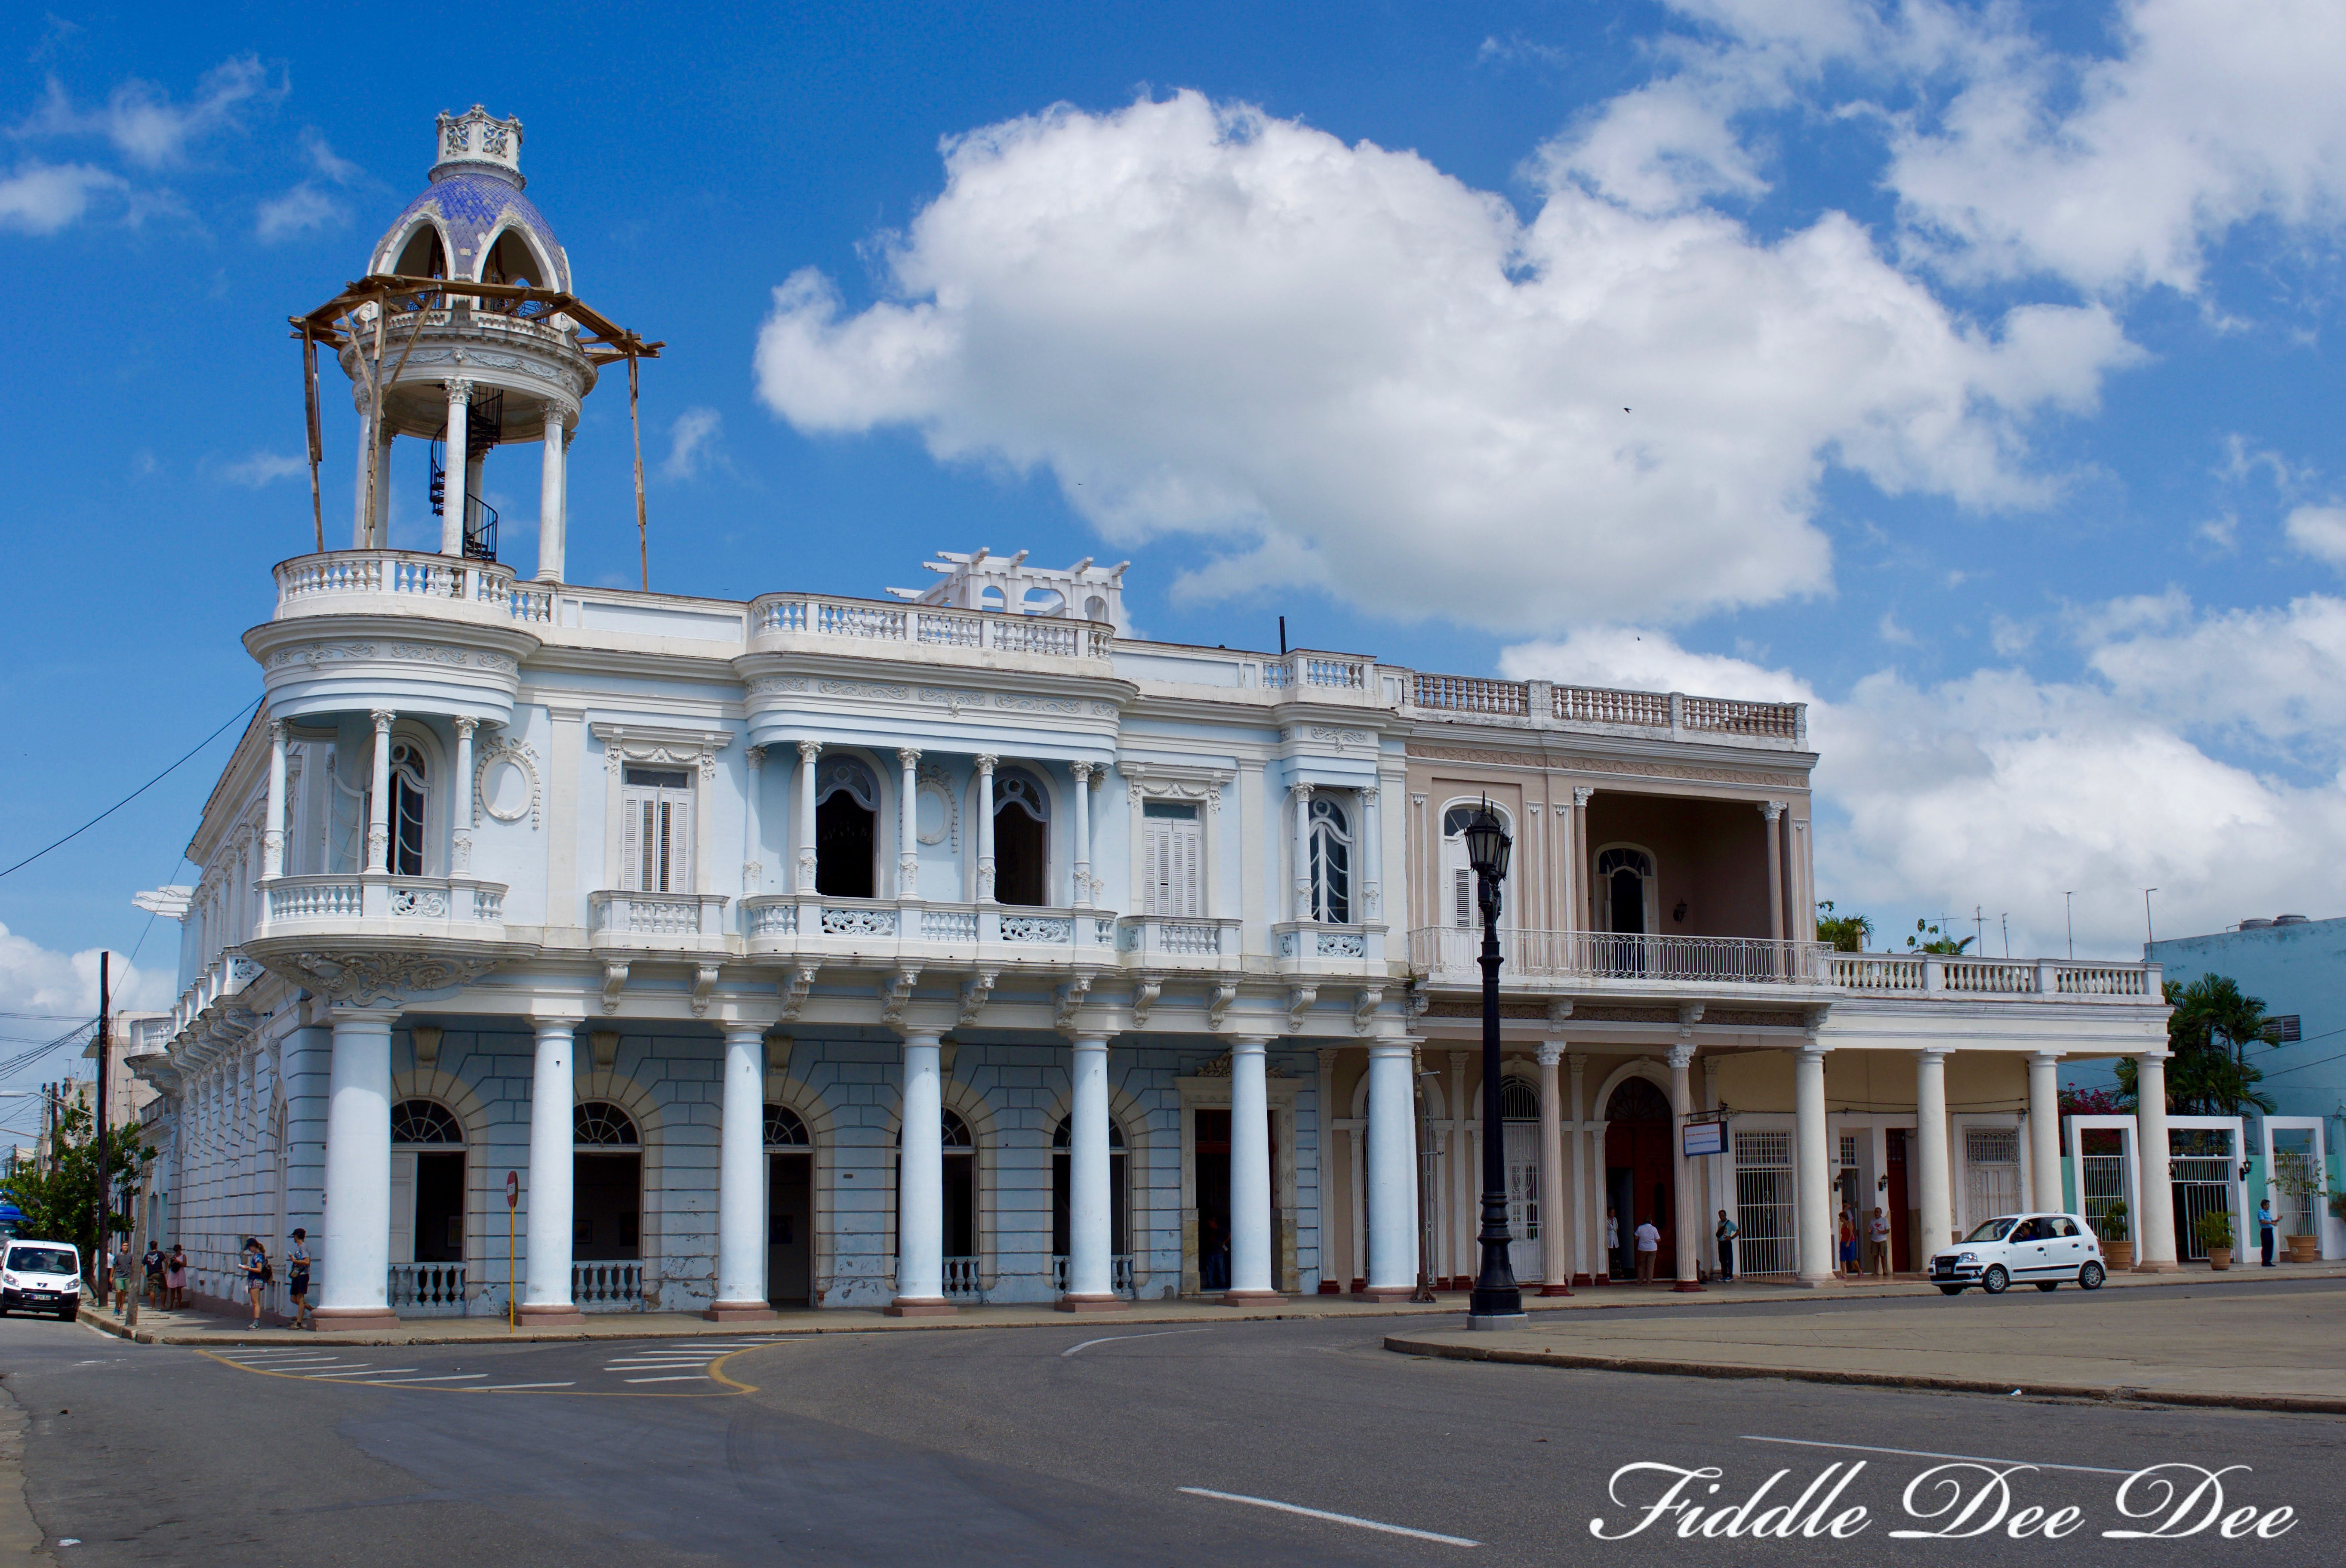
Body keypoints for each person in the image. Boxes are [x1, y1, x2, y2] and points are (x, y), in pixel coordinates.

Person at [286, 1229, 314, 1330]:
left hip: (302, 1275)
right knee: (294, 1299)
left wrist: (295, 1260)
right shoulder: (300, 1248)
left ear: (296, 1237)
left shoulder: (303, 1247)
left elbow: (307, 1262)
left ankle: (299, 1322)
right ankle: (312, 1310)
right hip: (297, 1275)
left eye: (294, 1237)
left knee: (300, 1299)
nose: (294, 1238)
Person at [240, 1236, 268, 1329]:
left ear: (253, 1246)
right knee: (255, 1302)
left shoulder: (258, 1256)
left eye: (249, 1248)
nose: (249, 1250)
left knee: (256, 1303)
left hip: (256, 1280)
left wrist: (248, 1268)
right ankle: (255, 1322)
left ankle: (256, 1323)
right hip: (255, 1279)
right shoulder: (258, 1255)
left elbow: (259, 1269)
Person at [1633, 1215, 1661, 1284]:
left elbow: (1636, 1237)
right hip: (1653, 1249)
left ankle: (1640, 1281)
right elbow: (1658, 1240)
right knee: (1650, 1265)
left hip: (1643, 1249)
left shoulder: (1640, 1228)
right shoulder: (1654, 1229)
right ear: (1651, 1221)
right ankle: (1649, 1282)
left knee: (1642, 1265)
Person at [1714, 1209, 1738, 1283]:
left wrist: (1732, 1237)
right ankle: (1724, 1275)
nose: (1722, 1217)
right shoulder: (1720, 1223)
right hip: (1721, 1243)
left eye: (1723, 1216)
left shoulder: (1730, 1223)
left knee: (1729, 1259)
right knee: (1722, 1259)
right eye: (1721, 1216)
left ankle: (1730, 1276)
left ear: (1726, 1215)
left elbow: (1738, 1231)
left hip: (1727, 1243)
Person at [1868, 1207, 1892, 1276]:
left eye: (1878, 1212)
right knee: (1875, 1256)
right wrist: (1870, 1231)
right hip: (1874, 1240)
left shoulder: (1884, 1220)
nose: (1876, 1213)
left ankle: (1885, 1271)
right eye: (1875, 1212)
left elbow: (1888, 1230)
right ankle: (1876, 1271)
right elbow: (1870, 1229)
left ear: (1881, 1213)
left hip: (1882, 1240)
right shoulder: (1872, 1220)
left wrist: (1881, 1232)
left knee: (1883, 1256)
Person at [165, 1244, 187, 1310]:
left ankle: (179, 1305)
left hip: (180, 1273)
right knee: (172, 1290)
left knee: (179, 1290)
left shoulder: (184, 1256)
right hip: (174, 1273)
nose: (177, 1253)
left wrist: (178, 1262)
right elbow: (169, 1267)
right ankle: (171, 1305)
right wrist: (172, 1262)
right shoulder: (174, 1256)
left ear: (180, 1250)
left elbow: (185, 1264)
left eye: (177, 1251)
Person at [142, 1241, 164, 1306]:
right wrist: (165, 1271)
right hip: (159, 1273)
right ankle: (163, 1305)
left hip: (151, 1274)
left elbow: (142, 1265)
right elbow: (166, 1261)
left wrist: (145, 1275)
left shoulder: (147, 1255)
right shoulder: (160, 1253)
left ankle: (153, 1306)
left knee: (152, 1291)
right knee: (163, 1289)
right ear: (157, 1246)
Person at [1838, 1210, 1858, 1277]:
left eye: (1841, 1217)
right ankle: (1843, 1274)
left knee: (1851, 1258)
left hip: (1850, 1242)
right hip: (1843, 1242)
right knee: (1842, 1258)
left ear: (1844, 1218)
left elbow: (1851, 1234)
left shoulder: (1849, 1224)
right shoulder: (1843, 1225)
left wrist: (1849, 1242)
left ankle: (1859, 1270)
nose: (1840, 1219)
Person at [2258, 1198, 2277, 1267]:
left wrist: (2277, 1220)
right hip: (2265, 1231)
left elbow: (2271, 1221)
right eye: (2268, 1205)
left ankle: (2269, 1261)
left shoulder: (2268, 1213)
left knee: (2270, 1245)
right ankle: (2265, 1261)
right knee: (2266, 1246)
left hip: (2270, 1230)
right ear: (2264, 1205)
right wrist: (2272, 1224)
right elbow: (2262, 1221)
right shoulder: (2261, 1212)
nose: (2269, 1206)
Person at [1605, 1207, 1621, 1279]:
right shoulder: (1606, 1220)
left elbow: (1616, 1228)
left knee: (1616, 1256)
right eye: (1612, 1212)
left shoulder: (1615, 1220)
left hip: (1615, 1239)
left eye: (1614, 1212)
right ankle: (1611, 1272)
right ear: (1609, 1213)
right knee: (1611, 1255)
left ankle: (1618, 1272)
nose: (1613, 1214)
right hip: (1609, 1239)